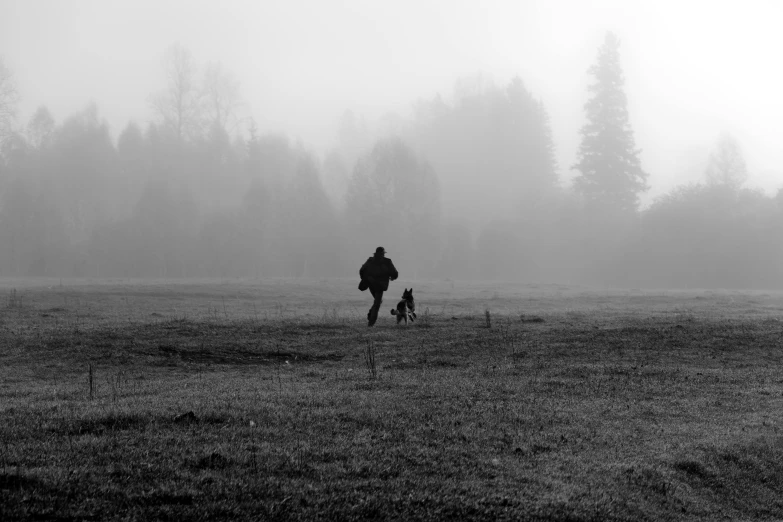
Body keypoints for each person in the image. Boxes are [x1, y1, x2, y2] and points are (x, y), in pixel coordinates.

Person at [358, 246, 399, 326]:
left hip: (371, 284)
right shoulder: (387, 261)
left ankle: (371, 315)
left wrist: (366, 279)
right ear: (383, 253)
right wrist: (392, 277)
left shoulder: (370, 260)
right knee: (377, 303)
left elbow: (362, 270)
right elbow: (394, 273)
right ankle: (371, 323)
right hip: (379, 286)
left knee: (377, 302)